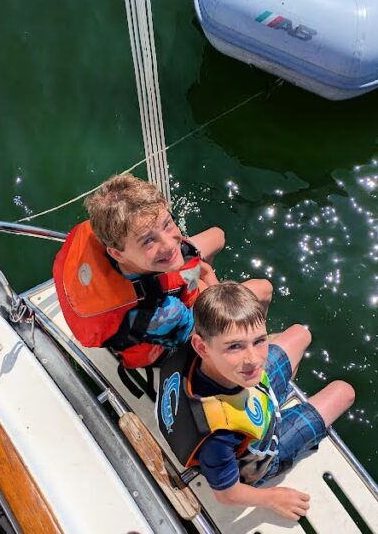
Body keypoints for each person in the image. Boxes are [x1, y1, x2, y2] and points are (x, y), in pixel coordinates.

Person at [156, 282, 355, 521]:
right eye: (235, 346)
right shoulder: (217, 437)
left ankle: (272, 395)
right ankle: (282, 420)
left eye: (260, 340)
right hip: (258, 455)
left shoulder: (201, 353)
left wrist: (243, 358)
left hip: (247, 391)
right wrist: (272, 498)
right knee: (344, 392)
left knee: (301, 333)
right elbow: (227, 495)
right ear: (202, 347)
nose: (253, 359)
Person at [52, 173, 272, 368]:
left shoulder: (105, 228)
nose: (169, 244)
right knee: (262, 289)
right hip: (157, 338)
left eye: (167, 224)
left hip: (143, 275)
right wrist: (214, 287)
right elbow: (203, 335)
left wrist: (200, 271)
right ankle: (256, 342)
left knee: (217, 235)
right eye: (148, 240)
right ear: (116, 253)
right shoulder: (162, 313)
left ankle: (186, 274)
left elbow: (186, 256)